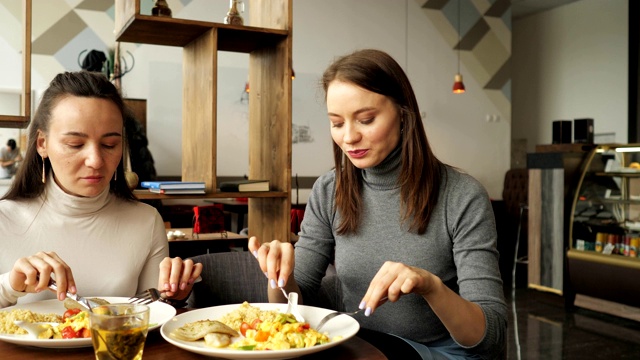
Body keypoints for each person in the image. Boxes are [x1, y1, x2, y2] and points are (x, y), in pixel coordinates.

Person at [249, 49, 507, 359]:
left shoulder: (462, 196)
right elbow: (291, 304)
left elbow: (490, 336)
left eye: (366, 119)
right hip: (364, 347)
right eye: (336, 123)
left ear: (402, 112)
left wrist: (430, 286)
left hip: (442, 353)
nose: (349, 137)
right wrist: (278, 276)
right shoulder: (329, 191)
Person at [0, 71, 202, 309]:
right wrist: (9, 286)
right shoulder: (5, 218)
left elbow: (153, 313)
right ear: (42, 144)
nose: (95, 160)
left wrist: (174, 295)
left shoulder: (145, 221)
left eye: (110, 144)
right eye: (75, 144)